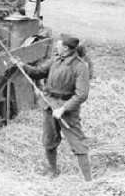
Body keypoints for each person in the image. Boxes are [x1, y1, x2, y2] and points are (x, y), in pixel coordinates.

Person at [19, 34, 92, 181]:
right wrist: (22, 66)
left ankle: (88, 179)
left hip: (67, 110)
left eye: (58, 43)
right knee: (49, 140)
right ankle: (51, 171)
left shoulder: (80, 67)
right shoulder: (55, 60)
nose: (56, 45)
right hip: (49, 105)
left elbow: (81, 95)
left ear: (65, 47)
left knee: (78, 142)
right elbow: (38, 72)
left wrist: (63, 109)